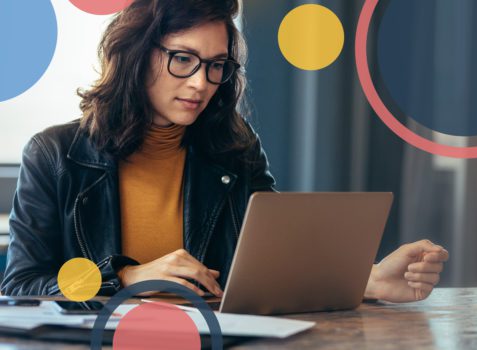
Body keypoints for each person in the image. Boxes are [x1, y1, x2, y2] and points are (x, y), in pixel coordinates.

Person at [0, 0, 448, 303]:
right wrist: (125, 279)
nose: (201, 83)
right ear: (136, 54)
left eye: (217, 65)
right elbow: (20, 287)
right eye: (183, 58)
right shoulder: (55, 154)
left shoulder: (234, 148)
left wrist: (366, 279)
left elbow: (274, 264)